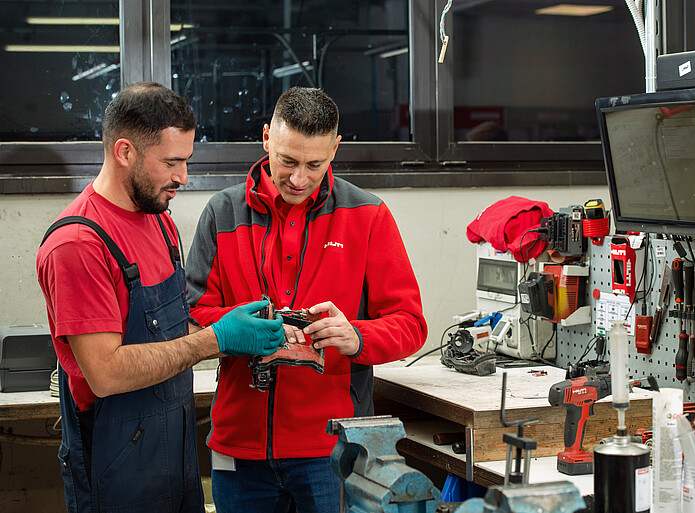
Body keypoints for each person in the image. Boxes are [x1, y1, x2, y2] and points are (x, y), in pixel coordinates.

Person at [36, 82, 285, 513]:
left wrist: (234, 324)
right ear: (125, 152)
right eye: (171, 162)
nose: (183, 178)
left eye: (186, 161)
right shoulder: (78, 244)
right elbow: (106, 373)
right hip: (117, 477)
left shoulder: (158, 220)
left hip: (176, 458)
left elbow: (168, 329)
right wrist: (216, 340)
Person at [185, 86, 428, 512]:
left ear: (335, 148)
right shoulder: (222, 213)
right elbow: (190, 317)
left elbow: (410, 323)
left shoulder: (368, 215)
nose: (299, 178)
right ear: (266, 139)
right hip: (240, 446)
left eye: (315, 164)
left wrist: (355, 337)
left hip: (333, 448)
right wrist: (236, 328)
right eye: (287, 161)